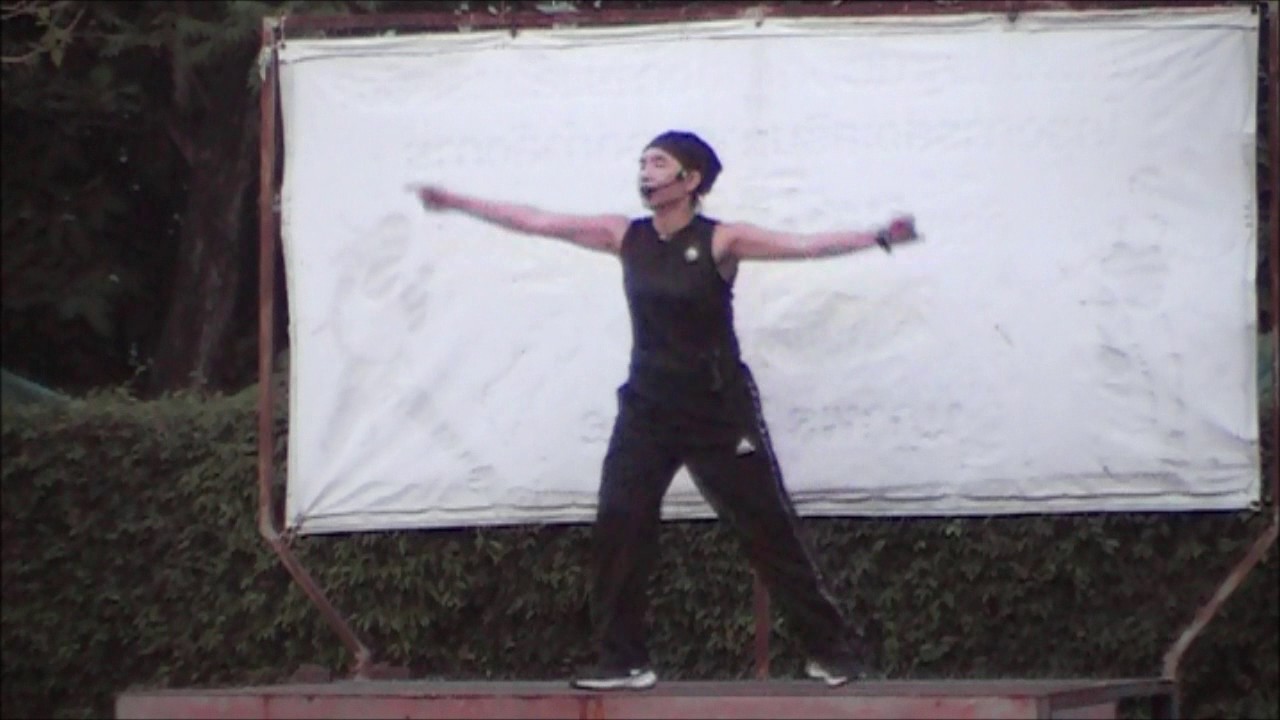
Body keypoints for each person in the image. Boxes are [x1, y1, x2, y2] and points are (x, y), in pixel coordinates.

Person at [408, 130, 919, 691]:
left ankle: (835, 653)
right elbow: (538, 221)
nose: (646, 173)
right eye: (643, 163)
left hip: (718, 410)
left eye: (658, 163)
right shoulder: (624, 235)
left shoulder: (722, 240)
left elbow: (803, 246)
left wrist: (877, 237)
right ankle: (623, 661)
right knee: (620, 522)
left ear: (690, 180)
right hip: (648, 409)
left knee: (767, 529)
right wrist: (456, 201)